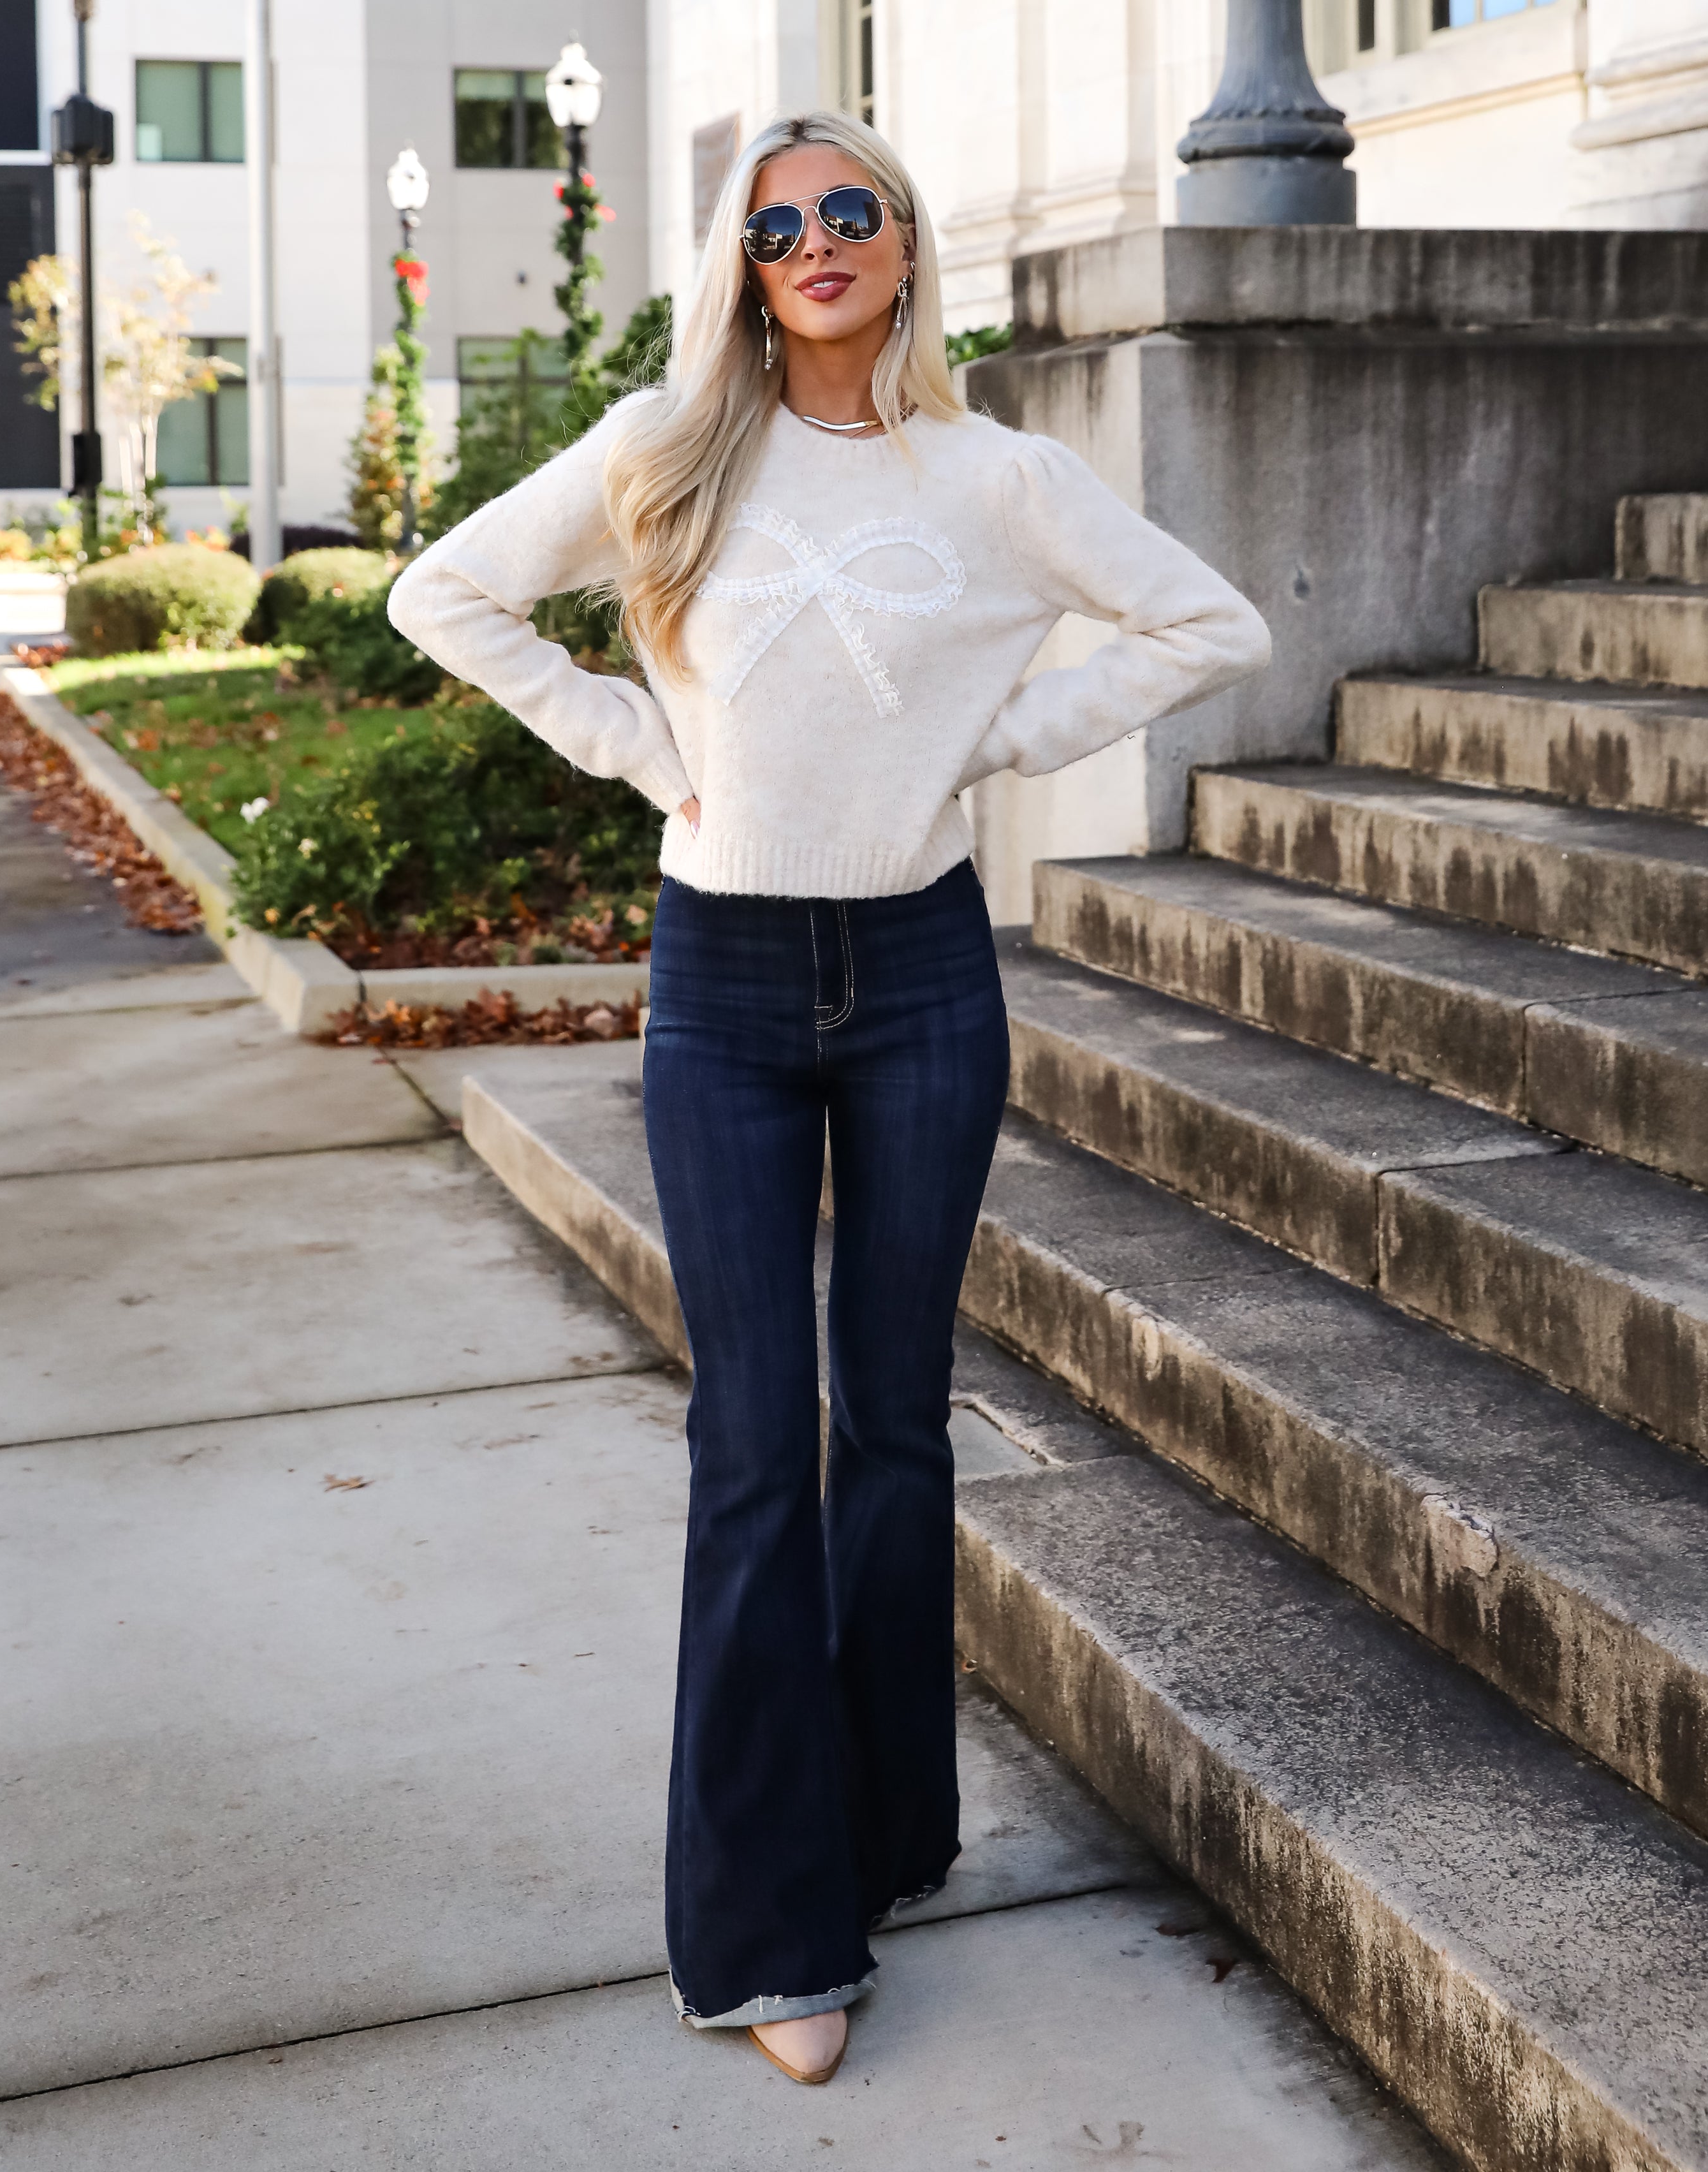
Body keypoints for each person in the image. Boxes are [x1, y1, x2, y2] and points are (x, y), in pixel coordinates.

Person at [388, 111, 1269, 2088]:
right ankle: (767, 1928)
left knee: (896, 1423)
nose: (813, 243)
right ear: (739, 257)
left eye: (846, 211)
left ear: (901, 241)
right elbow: (442, 598)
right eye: (776, 222)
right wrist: (636, 747)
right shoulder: (663, 449)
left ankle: (884, 1833)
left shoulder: (995, 476)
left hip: (924, 977)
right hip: (723, 983)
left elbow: (1213, 625)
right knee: (749, 1441)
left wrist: (992, 746)